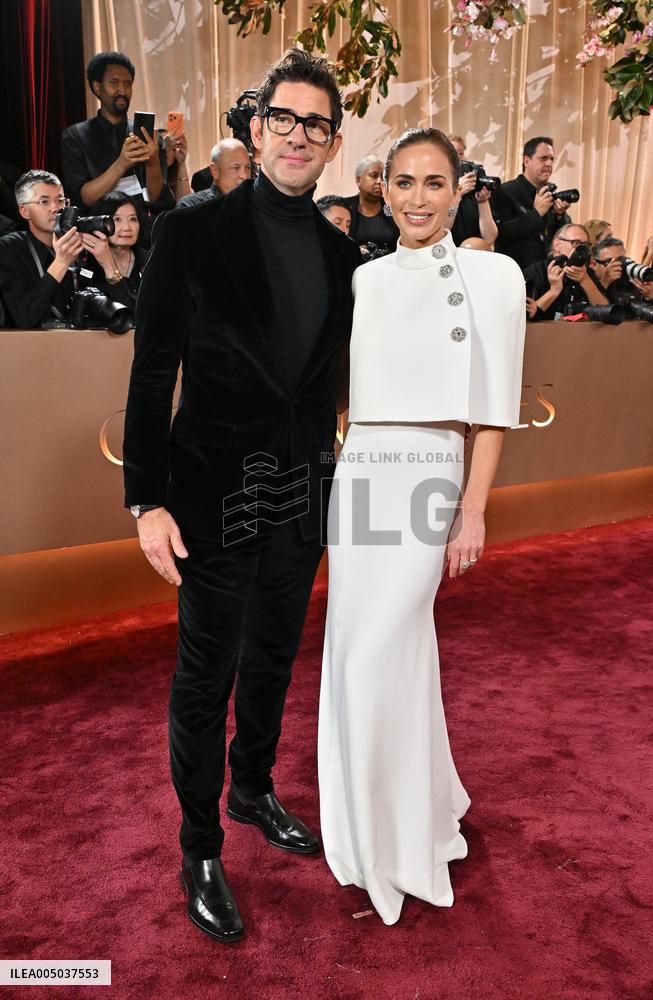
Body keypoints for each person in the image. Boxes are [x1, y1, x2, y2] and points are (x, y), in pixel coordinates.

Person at [122, 48, 359, 944]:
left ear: (332, 145)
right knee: (204, 675)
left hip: (302, 495)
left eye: (317, 125)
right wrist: (147, 499)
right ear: (257, 130)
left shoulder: (347, 256)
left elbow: (333, 386)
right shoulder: (192, 232)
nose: (299, 136)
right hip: (210, 497)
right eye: (284, 119)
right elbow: (151, 378)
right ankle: (200, 844)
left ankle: (254, 787)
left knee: (272, 660)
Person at [318, 127, 526, 926]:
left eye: (434, 183)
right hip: (363, 469)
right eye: (402, 181)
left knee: (385, 645)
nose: (415, 198)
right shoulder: (363, 280)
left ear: (459, 186)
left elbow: (494, 412)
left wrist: (473, 509)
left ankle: (402, 836)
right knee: (360, 646)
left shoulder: (494, 276)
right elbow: (340, 389)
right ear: (383, 186)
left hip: (431, 467)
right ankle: (375, 825)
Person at [61, 51, 174, 229]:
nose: (122, 90)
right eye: (114, 83)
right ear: (96, 87)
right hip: (98, 231)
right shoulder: (75, 136)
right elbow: (83, 198)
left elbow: (156, 198)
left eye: (127, 84)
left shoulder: (148, 135)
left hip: (143, 229)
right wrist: (122, 164)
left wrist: (152, 162)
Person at [0, 170, 83, 328]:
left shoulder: (76, 244)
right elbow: (25, 317)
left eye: (60, 201)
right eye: (44, 202)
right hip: (29, 348)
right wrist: (61, 262)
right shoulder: (9, 248)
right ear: (24, 212)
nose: (55, 208)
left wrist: (106, 262)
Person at [494, 136, 572, 271]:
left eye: (551, 159)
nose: (549, 164)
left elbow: (563, 238)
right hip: (515, 272)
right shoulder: (505, 191)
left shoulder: (550, 193)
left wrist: (560, 216)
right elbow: (501, 233)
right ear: (526, 161)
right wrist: (537, 214)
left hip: (547, 274)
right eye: (543, 158)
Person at [523, 223, 608, 321]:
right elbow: (525, 316)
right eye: (576, 243)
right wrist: (554, 291)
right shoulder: (536, 271)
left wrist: (585, 281)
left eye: (585, 245)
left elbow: (606, 312)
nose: (581, 250)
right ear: (557, 244)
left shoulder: (587, 273)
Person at [80, 192, 147, 312]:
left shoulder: (151, 261)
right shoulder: (86, 265)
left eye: (133, 219)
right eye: (117, 219)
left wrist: (109, 266)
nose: (127, 227)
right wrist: (107, 264)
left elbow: (136, 317)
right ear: (100, 223)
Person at [344, 154, 398, 252]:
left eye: (383, 177)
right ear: (358, 180)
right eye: (374, 175)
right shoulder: (344, 207)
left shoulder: (394, 209)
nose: (380, 181)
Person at [177, 139, 251, 208]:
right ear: (215, 171)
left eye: (247, 167)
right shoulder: (190, 206)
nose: (245, 176)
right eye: (236, 168)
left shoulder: (255, 205)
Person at [589, 236, 653, 306]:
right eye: (609, 262)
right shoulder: (587, 284)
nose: (617, 265)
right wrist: (605, 282)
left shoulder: (629, 281)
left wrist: (649, 297)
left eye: (621, 260)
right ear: (593, 264)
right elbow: (592, 312)